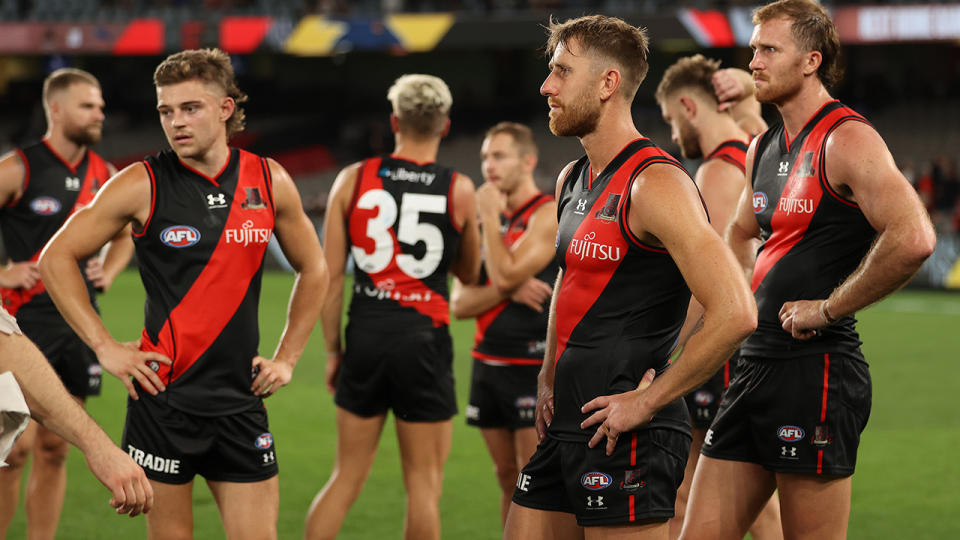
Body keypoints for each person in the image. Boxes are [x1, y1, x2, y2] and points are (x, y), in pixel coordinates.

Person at [38, 48, 328, 540]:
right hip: (163, 405)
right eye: (165, 111)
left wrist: (288, 358)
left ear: (225, 108)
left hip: (241, 403)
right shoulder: (141, 183)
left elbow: (315, 267)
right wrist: (104, 345)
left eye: (189, 108)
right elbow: (55, 258)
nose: (175, 122)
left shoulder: (268, 179)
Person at [680, 2, 936, 539]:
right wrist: (711, 321)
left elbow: (914, 238)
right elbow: (740, 234)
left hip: (816, 372)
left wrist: (829, 307)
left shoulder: (847, 138)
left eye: (769, 50)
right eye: (753, 49)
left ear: (810, 62)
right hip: (752, 366)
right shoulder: (762, 147)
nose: (754, 62)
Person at [504, 15, 757, 539]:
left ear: (607, 84)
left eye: (561, 72)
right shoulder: (571, 178)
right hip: (567, 422)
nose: (546, 86)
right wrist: (548, 373)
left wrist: (648, 397)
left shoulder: (656, 182)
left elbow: (736, 310)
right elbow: (569, 282)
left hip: (628, 433)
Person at [305, 74, 480, 540]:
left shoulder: (353, 179)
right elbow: (469, 273)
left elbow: (328, 280)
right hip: (423, 343)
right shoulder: (459, 188)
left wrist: (332, 351)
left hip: (364, 336)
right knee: (424, 486)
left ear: (394, 121)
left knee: (345, 478)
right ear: (444, 126)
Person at [0, 67, 134, 540]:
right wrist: (3, 272)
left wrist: (111, 269)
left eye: (100, 105)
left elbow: (125, 235)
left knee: (57, 448)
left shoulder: (108, 176)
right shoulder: (17, 168)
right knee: (13, 451)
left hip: (78, 325)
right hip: (20, 324)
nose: (100, 112)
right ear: (55, 109)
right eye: (87, 105)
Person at [655, 54, 783, 540]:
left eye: (671, 119)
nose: (673, 135)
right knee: (751, 498)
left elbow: (707, 284)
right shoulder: (754, 149)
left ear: (689, 106)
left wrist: (667, 351)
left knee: (685, 490)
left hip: (724, 351)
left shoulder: (717, 171)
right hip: (755, 345)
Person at [450, 121, 558, 526]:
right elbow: (459, 303)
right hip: (486, 363)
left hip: (530, 366)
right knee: (505, 479)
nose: (488, 166)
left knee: (533, 481)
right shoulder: (484, 223)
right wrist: (508, 287)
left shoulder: (545, 213)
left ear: (527, 161)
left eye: (499, 156)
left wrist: (491, 219)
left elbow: (506, 273)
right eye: (484, 157)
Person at [0, 305, 152, 518]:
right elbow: (5, 346)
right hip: (25, 316)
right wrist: (99, 447)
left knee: (54, 449)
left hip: (67, 326)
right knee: (14, 453)